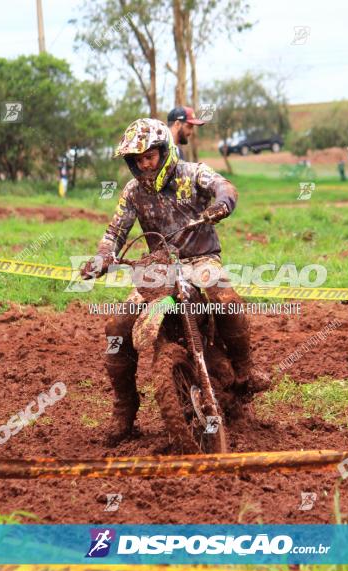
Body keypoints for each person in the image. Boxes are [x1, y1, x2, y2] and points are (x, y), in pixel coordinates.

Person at [80, 118, 271, 446]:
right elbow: (114, 232)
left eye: (149, 156)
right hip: (159, 267)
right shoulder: (133, 192)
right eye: (137, 159)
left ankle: (245, 369)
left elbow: (225, 186)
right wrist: (102, 257)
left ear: (164, 151)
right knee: (116, 324)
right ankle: (124, 409)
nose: (144, 164)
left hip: (201, 260)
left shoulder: (192, 173)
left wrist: (222, 204)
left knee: (226, 300)